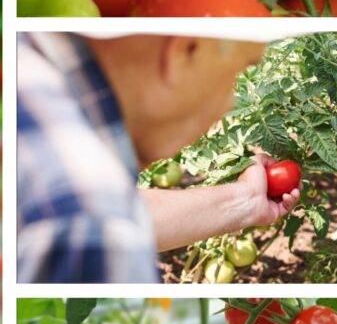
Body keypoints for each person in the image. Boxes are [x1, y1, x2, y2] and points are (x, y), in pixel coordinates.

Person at [17, 30, 302, 283]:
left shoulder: (23, 60)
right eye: (238, 72)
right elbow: (99, 219)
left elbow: (120, 210)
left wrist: (245, 200)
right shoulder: (92, 224)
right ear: (186, 50)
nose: (230, 103)